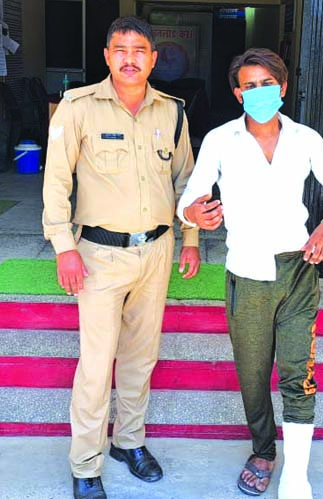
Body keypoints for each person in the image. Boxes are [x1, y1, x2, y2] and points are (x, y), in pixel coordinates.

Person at [177, 48, 323, 498]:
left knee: (299, 373)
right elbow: (191, 196)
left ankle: (296, 476)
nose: (259, 92)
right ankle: (263, 450)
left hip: (298, 270)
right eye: (250, 86)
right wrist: (195, 213)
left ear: (283, 88)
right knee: (253, 376)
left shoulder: (305, 138)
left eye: (267, 84)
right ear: (238, 94)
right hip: (247, 272)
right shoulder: (220, 140)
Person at [42, 16, 199, 499]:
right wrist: (64, 248)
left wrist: (191, 239)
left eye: (139, 50)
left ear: (153, 59)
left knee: (140, 356)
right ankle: (85, 464)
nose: (130, 59)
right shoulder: (77, 108)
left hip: (157, 250)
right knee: (95, 365)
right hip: (98, 256)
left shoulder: (172, 112)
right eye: (120, 50)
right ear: (107, 56)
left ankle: (128, 442)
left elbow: (186, 181)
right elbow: (56, 183)